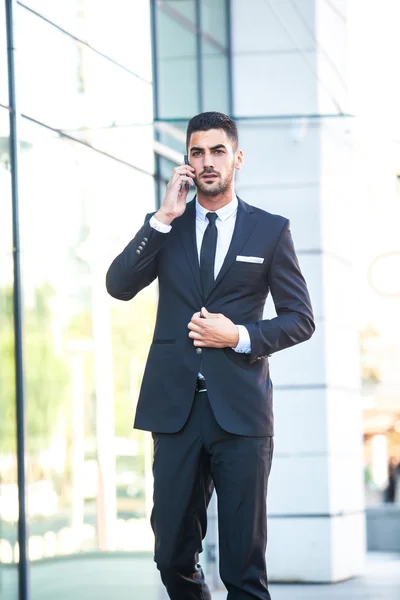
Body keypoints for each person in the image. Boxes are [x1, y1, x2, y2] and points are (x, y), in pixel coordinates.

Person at [106, 112, 315, 600]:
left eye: (218, 151)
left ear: (237, 158)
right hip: (176, 412)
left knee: (244, 569)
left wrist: (238, 334)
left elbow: (300, 319)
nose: (207, 162)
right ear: (186, 161)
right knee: (172, 556)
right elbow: (118, 286)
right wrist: (161, 219)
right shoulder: (167, 227)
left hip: (240, 414)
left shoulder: (269, 231)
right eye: (197, 152)